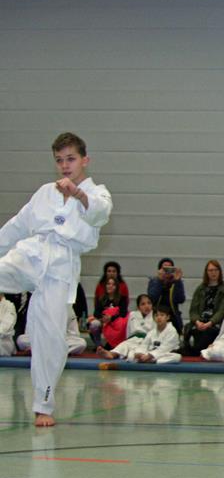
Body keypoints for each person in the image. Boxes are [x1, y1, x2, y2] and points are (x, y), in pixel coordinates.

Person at [0, 132, 112, 426]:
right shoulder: (45, 192)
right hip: (31, 253)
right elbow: (16, 226)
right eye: (60, 160)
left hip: (61, 266)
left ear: (85, 160)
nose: (65, 165)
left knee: (49, 337)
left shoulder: (97, 193)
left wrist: (78, 194)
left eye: (71, 159)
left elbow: (100, 214)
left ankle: (43, 407)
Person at [183, 259, 224, 356]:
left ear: (220, 272)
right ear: (206, 272)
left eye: (216, 270)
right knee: (189, 330)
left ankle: (196, 351)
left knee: (207, 333)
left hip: (214, 324)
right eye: (210, 270)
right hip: (199, 322)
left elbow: (222, 311)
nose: (213, 273)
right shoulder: (200, 289)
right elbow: (193, 310)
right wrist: (197, 322)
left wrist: (209, 323)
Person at [97, 294, 154, 360]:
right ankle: (111, 354)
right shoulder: (133, 314)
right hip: (133, 339)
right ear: (138, 307)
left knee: (133, 354)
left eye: (149, 303)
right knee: (124, 345)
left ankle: (135, 356)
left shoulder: (155, 316)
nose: (147, 306)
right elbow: (129, 330)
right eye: (143, 304)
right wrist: (128, 339)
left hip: (147, 341)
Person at [87, 276, 128, 347]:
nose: (110, 286)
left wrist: (111, 318)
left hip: (116, 321)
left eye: (113, 284)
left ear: (117, 287)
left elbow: (123, 313)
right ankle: (99, 346)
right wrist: (104, 318)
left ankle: (115, 345)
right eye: (108, 284)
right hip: (104, 321)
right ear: (105, 286)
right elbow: (96, 313)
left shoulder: (122, 298)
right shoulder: (101, 298)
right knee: (94, 324)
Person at [147, 258, 185, 332]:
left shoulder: (176, 282)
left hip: (172, 316)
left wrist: (178, 281)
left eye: (169, 268)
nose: (167, 271)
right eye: (164, 269)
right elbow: (152, 299)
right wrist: (159, 281)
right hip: (157, 315)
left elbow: (181, 299)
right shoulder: (154, 282)